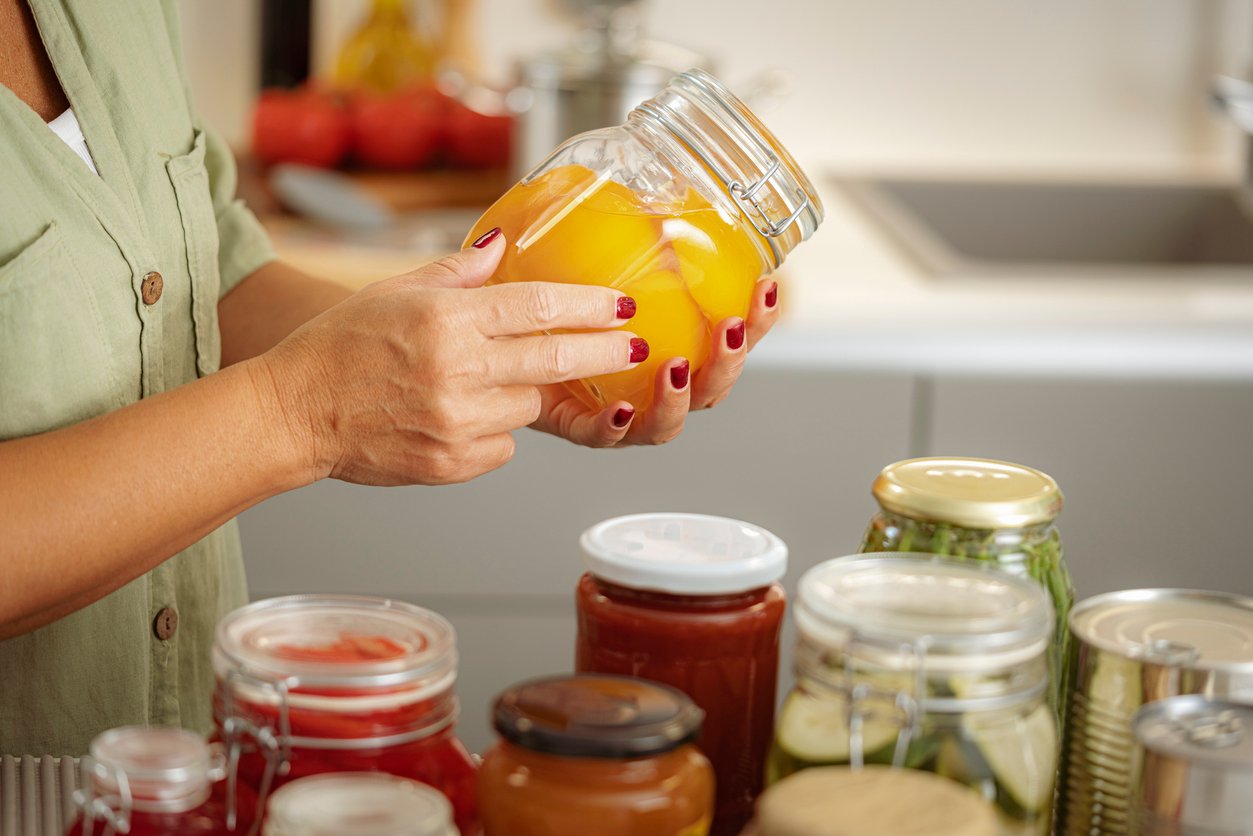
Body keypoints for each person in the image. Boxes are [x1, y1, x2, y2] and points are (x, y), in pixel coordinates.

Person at [0, 0, 780, 760]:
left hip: (187, 764)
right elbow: (298, 395)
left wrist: (477, 348)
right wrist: (303, 411)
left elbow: (207, 275)